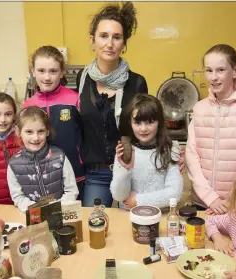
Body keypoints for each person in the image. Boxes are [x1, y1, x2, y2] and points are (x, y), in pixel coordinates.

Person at [77, 2, 148, 207]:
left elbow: (149, 127)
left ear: (124, 43)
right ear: (92, 40)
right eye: (104, 36)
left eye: (116, 37)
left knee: (133, 232)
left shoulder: (137, 82)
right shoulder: (83, 79)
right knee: (95, 228)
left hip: (131, 170)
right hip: (96, 173)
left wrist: (170, 156)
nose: (110, 43)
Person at [185, 44, 236, 214]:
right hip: (203, 202)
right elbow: (191, 156)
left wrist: (233, 198)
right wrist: (210, 198)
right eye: (208, 70)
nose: (213, 77)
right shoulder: (199, 109)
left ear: (235, 71)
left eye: (220, 70)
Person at [23, 45, 84, 201]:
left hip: (77, 175)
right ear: (33, 71)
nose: (47, 77)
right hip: (42, 180)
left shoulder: (75, 99)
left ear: (62, 72)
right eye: (41, 71)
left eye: (53, 71)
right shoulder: (28, 106)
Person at [110, 94, 183, 209]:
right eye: (137, 123)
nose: (143, 129)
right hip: (129, 216)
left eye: (150, 122)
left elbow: (175, 193)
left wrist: (138, 200)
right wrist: (126, 170)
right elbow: (118, 196)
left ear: (159, 122)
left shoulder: (170, 149)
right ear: (130, 122)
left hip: (159, 216)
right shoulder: (125, 150)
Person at [8, 106, 79, 212]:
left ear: (48, 132)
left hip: (60, 214)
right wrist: (37, 210)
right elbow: (18, 197)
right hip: (33, 217)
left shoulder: (60, 156)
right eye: (29, 132)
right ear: (18, 132)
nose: (35, 138)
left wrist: (57, 208)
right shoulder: (14, 164)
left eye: (41, 131)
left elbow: (71, 190)